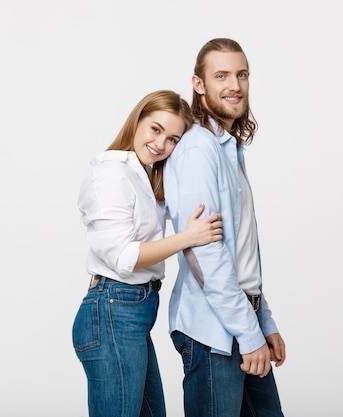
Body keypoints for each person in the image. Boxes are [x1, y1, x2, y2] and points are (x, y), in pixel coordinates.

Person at [72, 89, 224, 417]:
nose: (160, 144)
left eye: (172, 139)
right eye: (155, 129)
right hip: (113, 309)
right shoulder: (111, 174)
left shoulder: (142, 176)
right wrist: (187, 238)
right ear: (137, 120)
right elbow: (124, 257)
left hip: (132, 312)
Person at [163, 38, 287, 416]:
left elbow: (242, 249)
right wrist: (250, 334)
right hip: (213, 330)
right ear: (199, 84)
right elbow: (205, 254)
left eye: (241, 74)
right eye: (221, 75)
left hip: (241, 320)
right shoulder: (199, 149)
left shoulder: (227, 148)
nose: (234, 85)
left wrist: (262, 320)